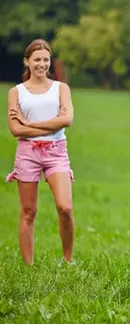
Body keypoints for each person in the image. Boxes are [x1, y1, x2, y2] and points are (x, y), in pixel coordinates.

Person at [6, 39, 75, 265]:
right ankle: (29, 264)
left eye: (46, 60)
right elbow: (16, 130)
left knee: (65, 207)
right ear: (27, 61)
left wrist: (30, 124)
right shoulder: (16, 93)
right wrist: (51, 123)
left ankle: (67, 259)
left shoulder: (60, 88)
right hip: (27, 154)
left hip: (56, 151)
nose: (42, 64)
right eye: (37, 60)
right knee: (28, 211)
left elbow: (67, 120)